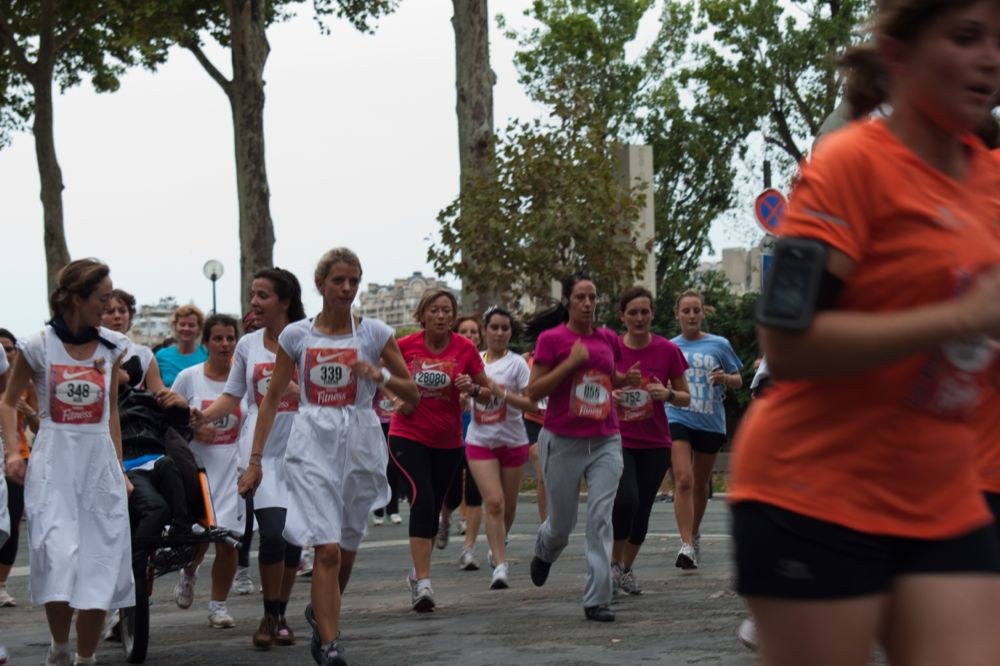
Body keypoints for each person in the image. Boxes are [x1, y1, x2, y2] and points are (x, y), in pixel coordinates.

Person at [729, 2, 1000, 663]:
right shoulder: (848, 166)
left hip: (943, 495)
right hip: (813, 490)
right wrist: (960, 318)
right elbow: (785, 345)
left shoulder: (992, 185)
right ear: (899, 54)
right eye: (967, 37)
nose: (991, 58)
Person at [236, 249, 418, 666]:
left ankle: (322, 615)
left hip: (360, 441)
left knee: (347, 547)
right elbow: (270, 400)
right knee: (327, 549)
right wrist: (256, 460)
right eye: (338, 280)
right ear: (320, 285)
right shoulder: (297, 336)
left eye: (354, 280)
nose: (347, 288)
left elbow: (412, 394)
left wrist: (379, 375)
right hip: (311, 442)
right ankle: (331, 645)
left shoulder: (375, 333)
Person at [0, 258, 133, 666]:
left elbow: (111, 411)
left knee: (99, 562)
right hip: (53, 464)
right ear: (76, 298)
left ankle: (86, 657)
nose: (109, 305)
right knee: (56, 557)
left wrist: (121, 468)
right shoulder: (38, 345)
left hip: (98, 465)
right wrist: (12, 451)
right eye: (102, 298)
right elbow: (8, 401)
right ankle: (60, 645)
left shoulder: (112, 346)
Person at [193, 268, 308, 649]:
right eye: (252, 295)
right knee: (272, 533)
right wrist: (202, 417)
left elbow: (327, 393)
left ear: (284, 300)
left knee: (294, 538)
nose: (253, 302)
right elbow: (232, 395)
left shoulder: (309, 338)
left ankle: (280, 613)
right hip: (262, 455)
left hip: (304, 452)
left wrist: (298, 391)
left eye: (262, 295)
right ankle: (270, 613)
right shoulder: (248, 345)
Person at [525, 273, 640, 622]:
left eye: (593, 297)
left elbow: (608, 376)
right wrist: (570, 364)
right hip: (562, 440)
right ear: (567, 302)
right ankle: (545, 550)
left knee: (601, 517)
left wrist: (625, 380)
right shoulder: (552, 340)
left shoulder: (607, 338)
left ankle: (597, 599)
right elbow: (534, 391)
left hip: (605, 438)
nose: (588, 303)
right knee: (562, 524)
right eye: (581, 297)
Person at [388, 289, 491, 613]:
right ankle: (424, 583)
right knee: (422, 500)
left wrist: (472, 388)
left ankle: (417, 573)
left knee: (433, 510)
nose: (441, 315)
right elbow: (380, 374)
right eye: (434, 310)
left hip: (448, 441)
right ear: (422, 314)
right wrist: (396, 400)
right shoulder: (405, 346)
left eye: (447, 310)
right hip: (408, 435)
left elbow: (489, 394)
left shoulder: (465, 348)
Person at [610, 287, 690, 595]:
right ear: (622, 316)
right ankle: (613, 565)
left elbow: (685, 397)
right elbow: (595, 387)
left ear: (653, 314)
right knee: (625, 500)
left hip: (656, 442)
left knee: (642, 508)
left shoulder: (667, 350)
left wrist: (666, 394)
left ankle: (625, 568)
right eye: (633, 313)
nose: (639, 318)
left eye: (644, 312)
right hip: (619, 439)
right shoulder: (611, 348)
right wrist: (612, 395)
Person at [171, 314, 244, 629]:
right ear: (206, 343)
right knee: (198, 538)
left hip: (232, 469)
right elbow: (169, 421)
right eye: (218, 338)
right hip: (198, 469)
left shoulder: (242, 378)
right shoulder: (189, 378)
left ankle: (218, 606)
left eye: (230, 338)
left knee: (228, 540)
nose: (225, 344)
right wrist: (193, 431)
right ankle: (189, 572)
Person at [667, 290, 743, 569]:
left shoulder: (719, 344)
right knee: (683, 479)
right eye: (686, 311)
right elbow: (660, 380)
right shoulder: (669, 347)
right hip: (677, 415)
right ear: (677, 314)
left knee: (700, 483)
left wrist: (725, 378)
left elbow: (739, 380)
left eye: (696, 310)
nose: (691, 316)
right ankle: (686, 545)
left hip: (710, 420)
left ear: (702, 313)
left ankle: (694, 534)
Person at [463, 306, 537, 589]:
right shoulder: (473, 361)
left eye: (505, 328)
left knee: (508, 507)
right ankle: (501, 566)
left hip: (513, 441)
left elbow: (530, 403)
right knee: (493, 502)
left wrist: (502, 394)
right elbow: (463, 397)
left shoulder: (517, 364)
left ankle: (499, 540)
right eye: (494, 327)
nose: (499, 333)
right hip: (480, 441)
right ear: (485, 331)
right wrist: (463, 396)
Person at [439, 314, 485, 570]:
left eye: (474, 332)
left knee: (476, 494)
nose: (469, 336)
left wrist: (477, 393)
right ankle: (444, 519)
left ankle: (468, 550)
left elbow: (494, 394)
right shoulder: (449, 362)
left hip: (481, 437)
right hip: (454, 435)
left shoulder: (486, 363)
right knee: (454, 494)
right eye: (464, 332)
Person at [0, 329, 38, 608]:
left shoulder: (27, 385)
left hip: (16, 458)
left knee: (11, 522)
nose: (6, 353)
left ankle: (1, 584)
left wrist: (26, 410)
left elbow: (39, 426)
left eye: (9, 348)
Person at [156, 304, 208, 387]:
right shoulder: (161, 356)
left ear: (199, 329)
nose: (186, 328)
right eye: (182, 324)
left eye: (191, 325)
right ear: (175, 326)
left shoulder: (207, 355)